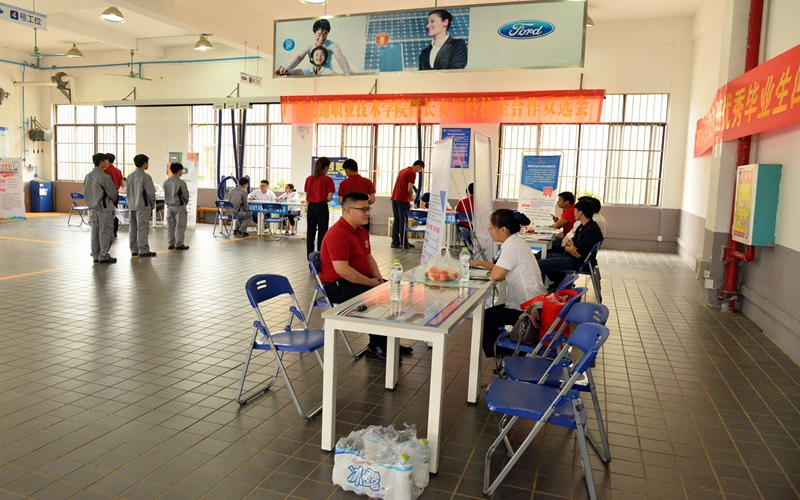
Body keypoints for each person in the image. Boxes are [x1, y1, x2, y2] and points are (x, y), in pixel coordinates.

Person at [320, 192, 412, 361]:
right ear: (347, 210)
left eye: (368, 209)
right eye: (363, 209)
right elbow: (342, 270)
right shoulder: (338, 234)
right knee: (380, 298)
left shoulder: (361, 231)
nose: (368, 213)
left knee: (395, 291)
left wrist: (378, 278)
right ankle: (376, 346)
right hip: (339, 285)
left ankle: (389, 342)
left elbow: (368, 257)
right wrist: (371, 283)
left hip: (359, 280)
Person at [469, 210, 546, 357]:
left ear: (503, 229)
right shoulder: (516, 242)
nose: (490, 232)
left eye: (491, 228)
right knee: (486, 315)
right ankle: (506, 355)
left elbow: (497, 275)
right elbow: (500, 267)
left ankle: (506, 356)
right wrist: (478, 263)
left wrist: (491, 271)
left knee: (483, 319)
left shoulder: (512, 247)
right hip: (532, 302)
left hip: (527, 308)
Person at [538, 199, 604, 287]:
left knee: (540, 263)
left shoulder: (591, 230)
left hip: (576, 262)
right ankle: (560, 283)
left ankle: (541, 290)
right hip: (569, 256)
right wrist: (571, 247)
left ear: (580, 212)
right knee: (538, 255)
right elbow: (571, 241)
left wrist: (568, 247)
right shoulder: (583, 226)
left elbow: (578, 253)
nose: (574, 213)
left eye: (575, 211)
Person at [275, 19, 351, 75]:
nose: (321, 38)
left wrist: (347, 72)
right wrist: (286, 69)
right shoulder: (309, 45)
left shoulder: (332, 44)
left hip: (326, 73)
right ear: (314, 33)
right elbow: (299, 57)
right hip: (313, 72)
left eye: (325, 34)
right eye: (319, 34)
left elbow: (340, 57)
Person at [84, 153, 118, 264]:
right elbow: (112, 193)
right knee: (105, 231)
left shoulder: (88, 176)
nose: (108, 163)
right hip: (104, 209)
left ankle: (95, 254)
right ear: (101, 162)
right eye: (106, 161)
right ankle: (103, 255)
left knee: (95, 232)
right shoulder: (104, 177)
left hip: (92, 208)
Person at [127, 154, 157, 258]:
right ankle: (143, 250)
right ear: (144, 164)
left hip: (132, 205)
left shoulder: (130, 176)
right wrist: (153, 203)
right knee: (143, 228)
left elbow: (128, 191)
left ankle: (134, 249)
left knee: (133, 228)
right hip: (142, 205)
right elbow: (150, 192)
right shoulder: (146, 177)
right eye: (147, 163)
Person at [304, 157, 336, 256]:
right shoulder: (327, 179)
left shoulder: (309, 179)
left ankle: (310, 257)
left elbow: (307, 195)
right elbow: (330, 197)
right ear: (326, 167)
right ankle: (320, 255)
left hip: (311, 207)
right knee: (322, 232)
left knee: (310, 232)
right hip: (321, 206)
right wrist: (323, 200)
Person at [390, 160, 424, 248]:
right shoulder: (412, 173)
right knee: (403, 221)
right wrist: (411, 197)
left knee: (397, 220)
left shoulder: (402, 171)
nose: (418, 171)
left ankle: (395, 241)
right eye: (420, 169)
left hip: (395, 198)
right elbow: (409, 189)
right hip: (403, 199)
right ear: (418, 166)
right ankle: (404, 242)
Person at [338, 159, 376, 233]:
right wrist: (363, 207)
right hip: (363, 214)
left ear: (348, 170)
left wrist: (351, 206)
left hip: (349, 215)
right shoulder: (367, 182)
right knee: (363, 234)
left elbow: (340, 200)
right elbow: (372, 199)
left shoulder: (343, 183)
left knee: (348, 234)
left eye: (345, 170)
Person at [164, 163, 190, 251]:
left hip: (169, 207)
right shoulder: (181, 182)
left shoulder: (166, 182)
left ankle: (171, 243)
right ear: (179, 171)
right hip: (179, 207)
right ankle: (179, 243)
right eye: (181, 170)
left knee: (170, 226)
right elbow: (185, 195)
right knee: (180, 226)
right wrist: (184, 203)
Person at [104, 153, 123, 238]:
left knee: (106, 212)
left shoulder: (105, 171)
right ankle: (115, 230)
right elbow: (121, 183)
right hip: (115, 193)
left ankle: (107, 230)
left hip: (106, 194)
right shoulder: (118, 171)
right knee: (115, 211)